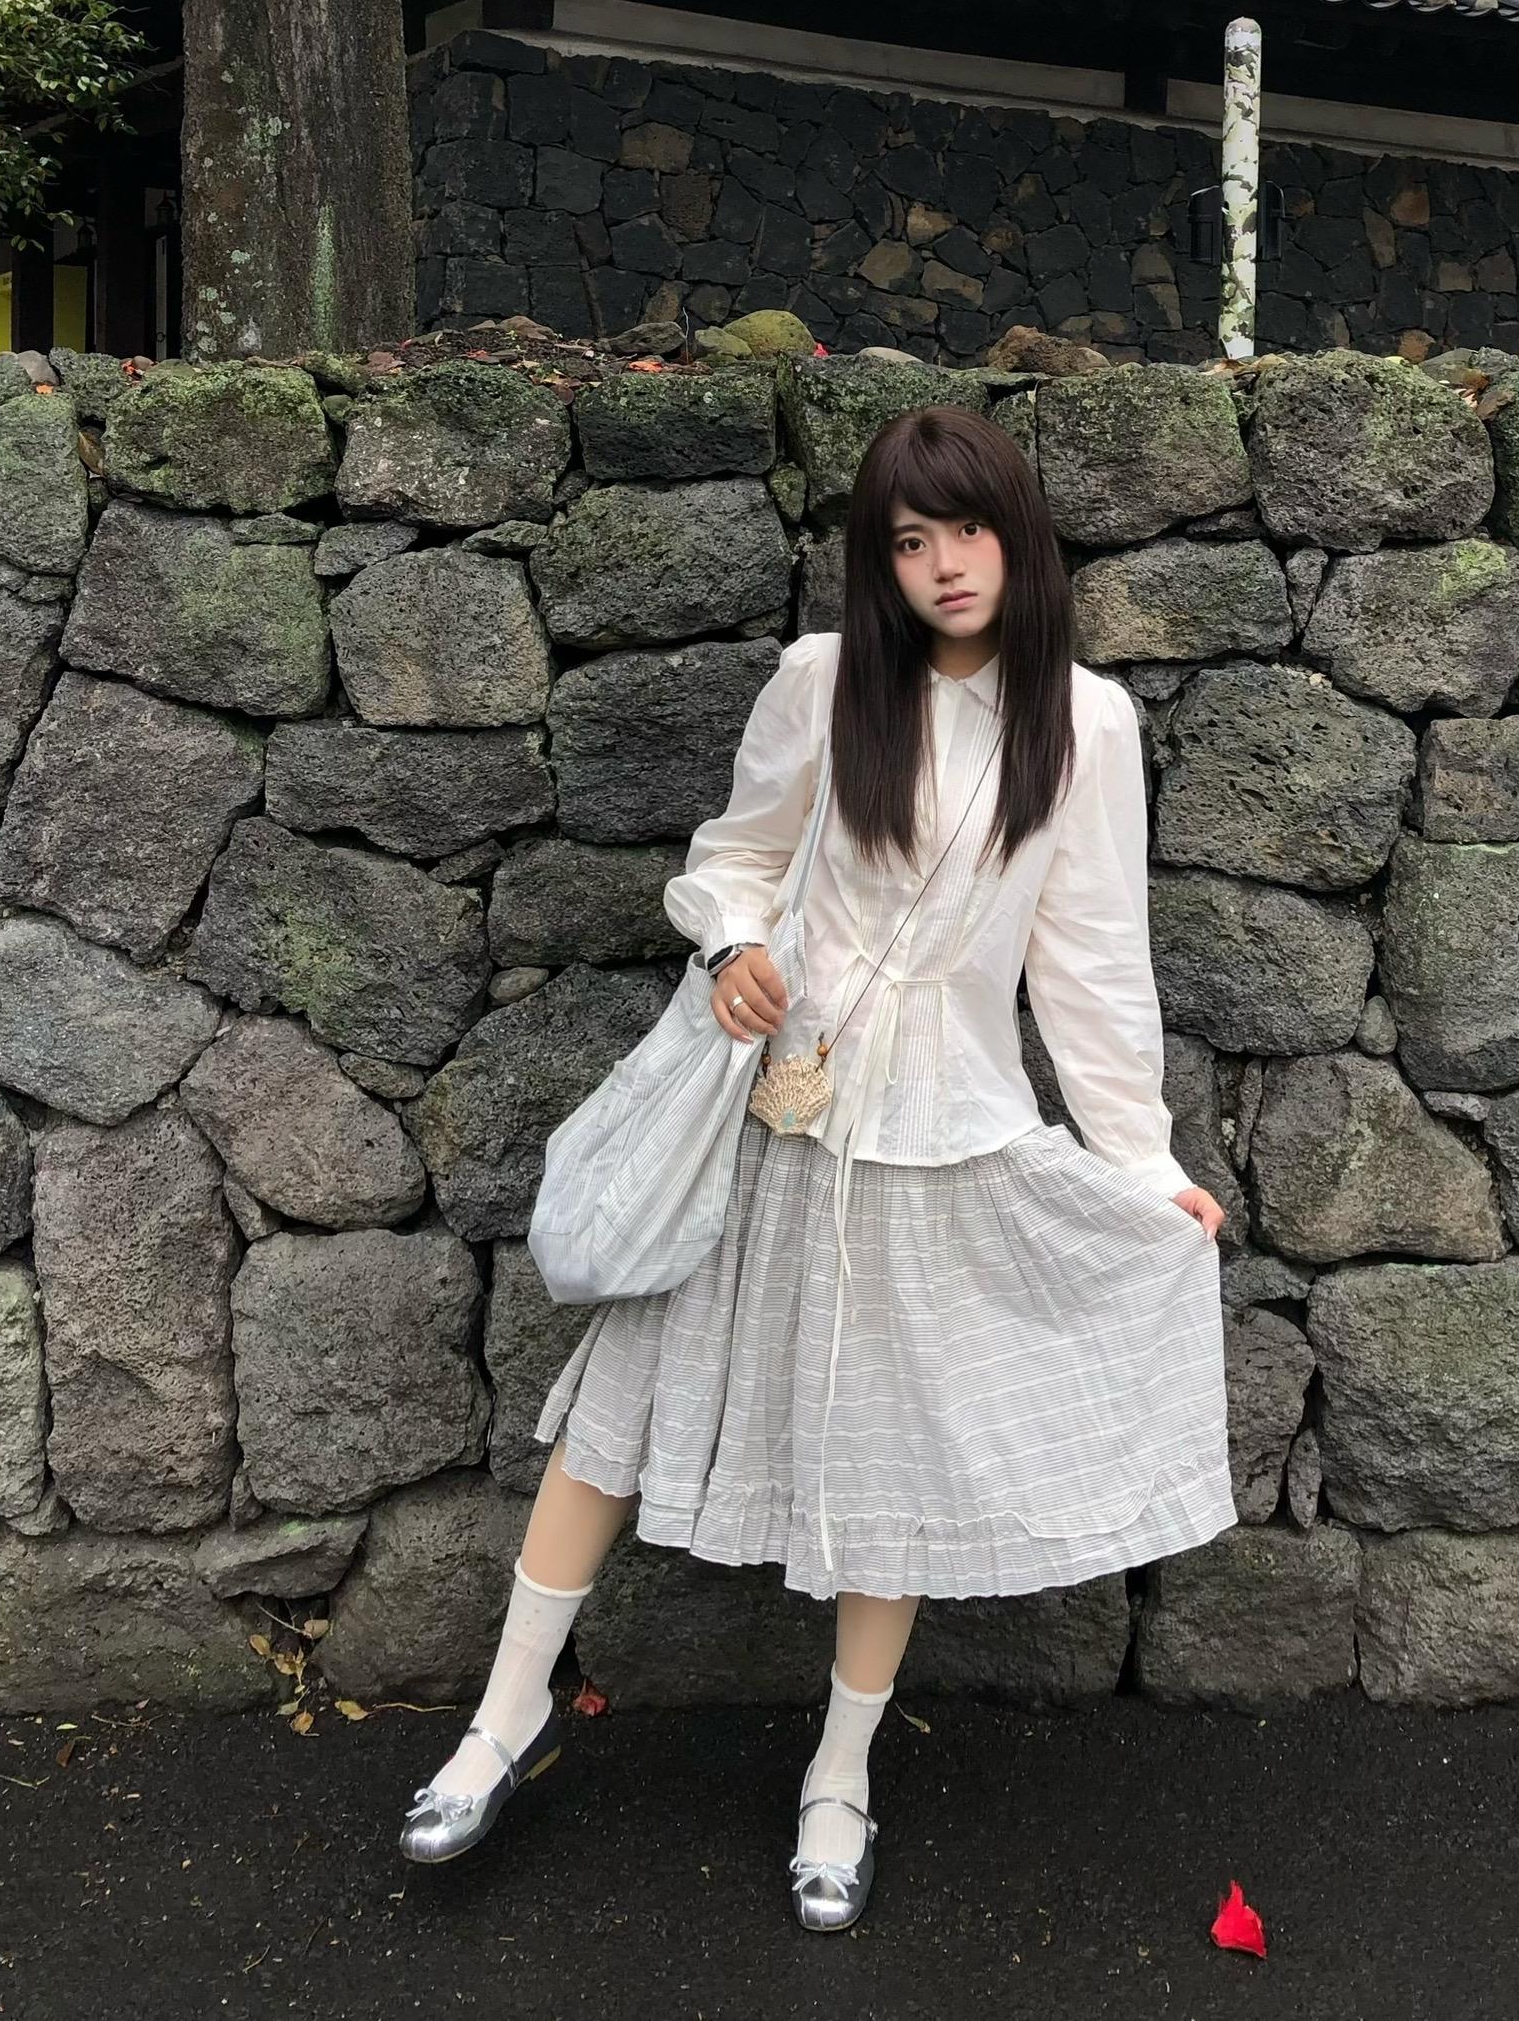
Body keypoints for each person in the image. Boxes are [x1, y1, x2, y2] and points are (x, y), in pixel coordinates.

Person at [396, 402, 1236, 1926]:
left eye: (968, 528)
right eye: (909, 540)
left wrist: (1143, 1161)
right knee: (618, 1408)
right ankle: (501, 1720)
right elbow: (733, 853)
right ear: (879, 560)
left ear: (1018, 534)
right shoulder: (825, 679)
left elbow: (1094, 968)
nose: (945, 563)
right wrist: (737, 947)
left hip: (944, 1129)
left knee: (891, 1462)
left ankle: (839, 1777)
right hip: (776, 1109)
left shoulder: (1088, 725)